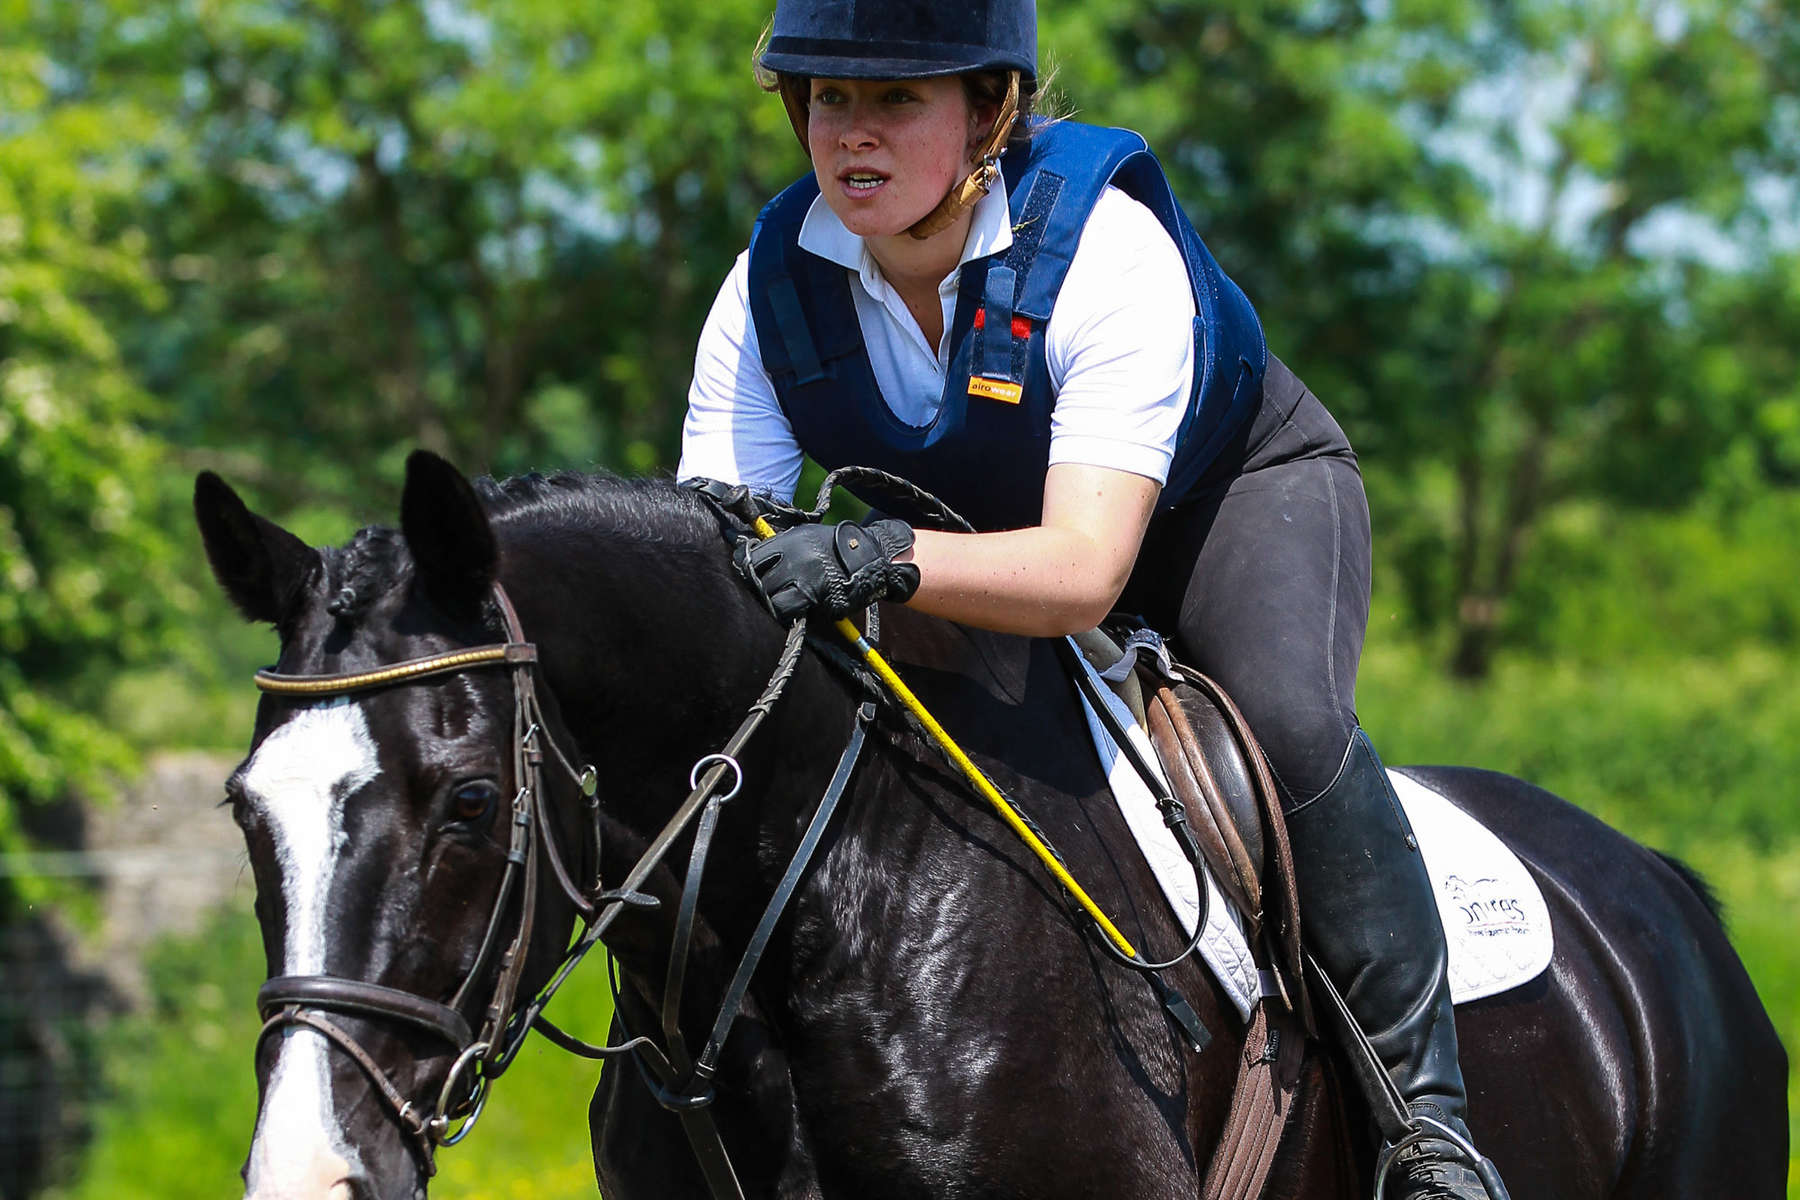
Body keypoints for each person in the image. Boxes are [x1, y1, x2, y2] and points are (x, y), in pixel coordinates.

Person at [676, 3, 1507, 1197]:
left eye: (896, 99)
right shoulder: (766, 287)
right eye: (829, 98)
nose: (850, 132)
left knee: (1289, 722)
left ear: (989, 110)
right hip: (963, 554)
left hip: (1213, 514)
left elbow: (1080, 574)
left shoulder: (1104, 250)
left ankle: (1429, 1129)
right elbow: (725, 564)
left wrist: (871, 555)